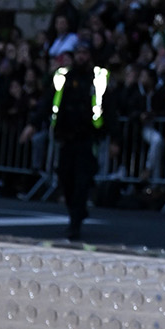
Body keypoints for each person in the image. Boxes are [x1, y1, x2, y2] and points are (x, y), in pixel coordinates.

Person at [54, 40, 99, 239]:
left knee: (81, 181)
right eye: (78, 53)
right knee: (65, 178)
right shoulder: (65, 77)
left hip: (86, 137)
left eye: (84, 53)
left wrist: (113, 136)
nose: (81, 56)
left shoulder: (96, 79)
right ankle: (76, 210)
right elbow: (52, 100)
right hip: (67, 136)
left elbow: (109, 106)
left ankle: (75, 223)